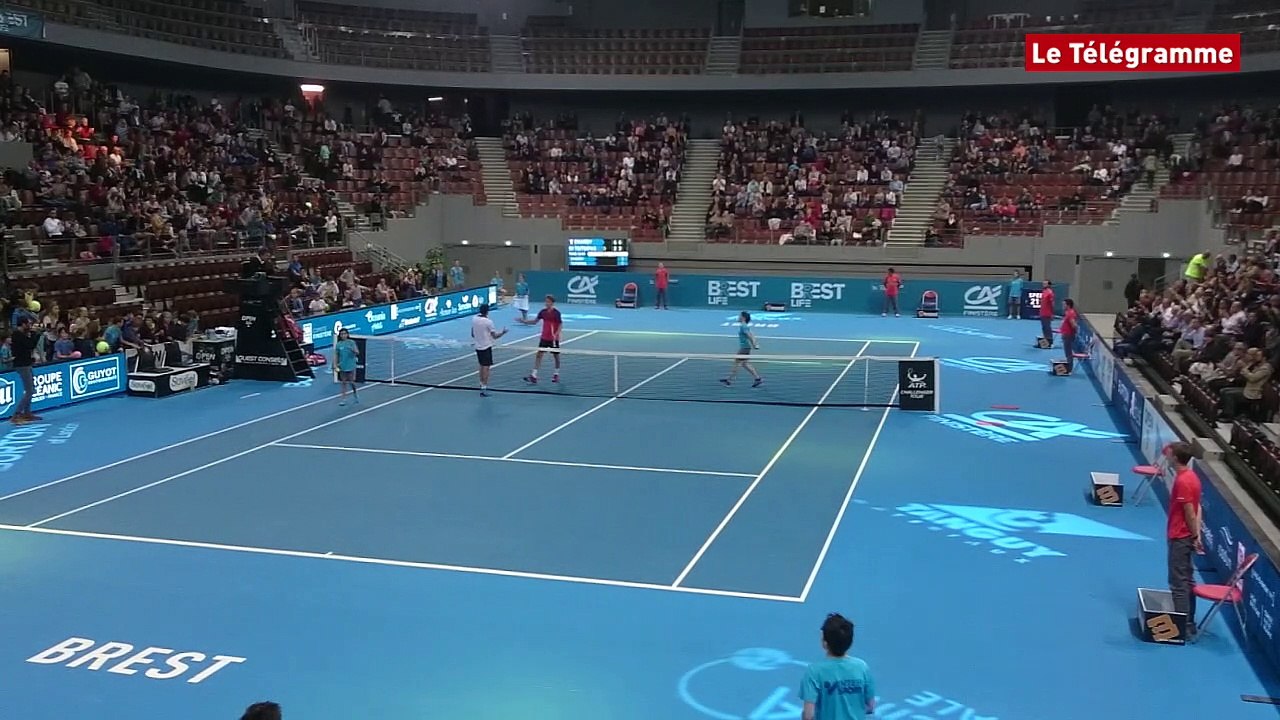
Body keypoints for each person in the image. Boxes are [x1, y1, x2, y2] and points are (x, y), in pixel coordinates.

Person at [799, 613, 876, 720]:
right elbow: (870, 706)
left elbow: (808, 716)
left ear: (825, 643)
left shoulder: (814, 671)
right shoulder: (862, 667)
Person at [1166, 442, 1203, 637]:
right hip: (1186, 535)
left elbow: (1190, 511)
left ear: (1175, 458)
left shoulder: (1183, 482)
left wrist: (1194, 535)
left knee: (1178, 582)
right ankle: (1189, 622)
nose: (1167, 455)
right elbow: (1199, 509)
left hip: (1180, 536)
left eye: (1170, 454)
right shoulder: (1191, 476)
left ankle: (1181, 626)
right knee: (1187, 580)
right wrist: (1196, 535)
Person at [519, 295, 563, 384]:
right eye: (546, 301)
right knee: (539, 355)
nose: (546, 303)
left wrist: (556, 334)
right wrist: (524, 321)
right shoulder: (543, 312)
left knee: (556, 357)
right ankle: (534, 375)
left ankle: (556, 374)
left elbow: (560, 324)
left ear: (552, 303)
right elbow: (535, 321)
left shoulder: (556, 313)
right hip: (544, 338)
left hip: (553, 339)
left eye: (548, 302)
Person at [471, 303, 507, 397]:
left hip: (478, 347)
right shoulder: (488, 322)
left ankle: (481, 384)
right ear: (487, 311)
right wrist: (503, 333)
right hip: (486, 347)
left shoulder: (474, 319)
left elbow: (472, 334)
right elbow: (495, 336)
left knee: (481, 365)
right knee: (486, 367)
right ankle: (484, 388)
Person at [720, 311, 763, 387]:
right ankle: (758, 378)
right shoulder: (745, 326)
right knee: (745, 364)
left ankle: (729, 380)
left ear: (743, 318)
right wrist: (754, 344)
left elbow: (749, 335)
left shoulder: (743, 326)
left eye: (740, 316)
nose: (738, 317)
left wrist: (754, 345)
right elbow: (752, 335)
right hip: (745, 347)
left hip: (744, 348)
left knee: (737, 363)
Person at [10, 315, 39, 424]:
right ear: (23, 324)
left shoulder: (21, 334)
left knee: (31, 389)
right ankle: (16, 415)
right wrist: (36, 334)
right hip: (22, 365)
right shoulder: (17, 335)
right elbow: (30, 345)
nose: (30, 326)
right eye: (28, 324)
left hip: (26, 363)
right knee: (29, 390)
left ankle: (27, 413)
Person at [333, 327, 360, 406]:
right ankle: (343, 399)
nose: (343, 335)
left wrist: (352, 350)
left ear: (347, 334)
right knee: (343, 383)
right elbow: (336, 355)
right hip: (342, 366)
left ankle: (355, 395)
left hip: (351, 365)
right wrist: (335, 364)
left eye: (344, 334)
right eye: (341, 334)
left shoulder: (351, 342)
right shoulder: (338, 344)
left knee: (352, 382)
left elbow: (357, 352)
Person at [1059, 298, 1079, 373]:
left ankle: (1069, 368)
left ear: (1068, 305)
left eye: (1064, 304)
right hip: (1066, 334)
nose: (1062, 306)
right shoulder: (1068, 312)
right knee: (1067, 352)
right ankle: (1069, 366)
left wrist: (1074, 332)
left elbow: (1074, 325)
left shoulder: (1070, 313)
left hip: (1068, 335)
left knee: (1068, 352)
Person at [1038, 280, 1055, 347]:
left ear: (1049, 285)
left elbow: (1052, 303)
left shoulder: (1050, 292)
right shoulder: (1044, 291)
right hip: (1042, 312)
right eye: (1043, 283)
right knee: (1044, 328)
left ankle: (1050, 342)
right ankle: (1045, 343)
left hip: (1047, 313)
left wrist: (1052, 313)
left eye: (1045, 283)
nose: (1043, 284)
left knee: (1047, 328)